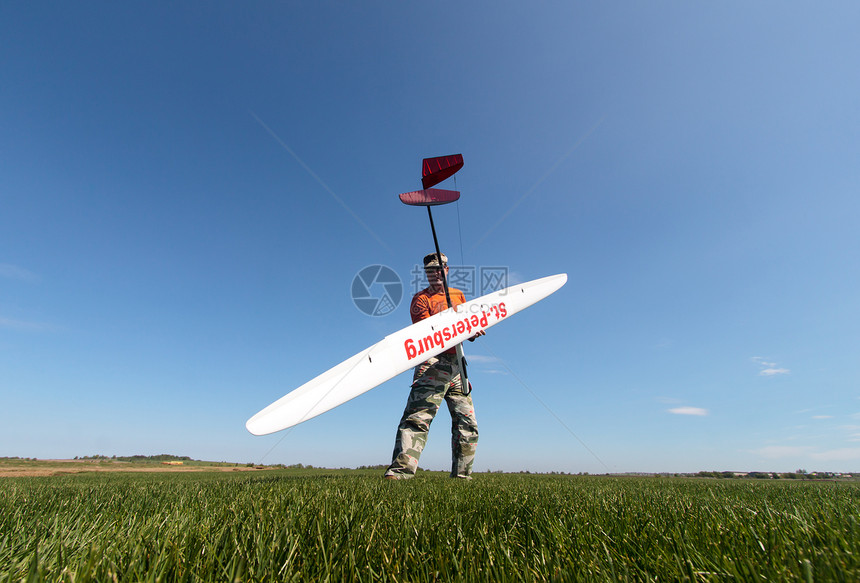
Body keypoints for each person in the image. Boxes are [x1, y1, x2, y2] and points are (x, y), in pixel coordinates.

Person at [384, 252, 483, 480]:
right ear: (426, 275)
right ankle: (400, 472)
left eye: (439, 269)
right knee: (418, 418)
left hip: (457, 365)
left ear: (447, 270)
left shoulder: (458, 295)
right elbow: (428, 333)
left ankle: (462, 477)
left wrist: (473, 331)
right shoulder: (421, 299)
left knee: (467, 423)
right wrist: (456, 324)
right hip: (432, 363)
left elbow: (468, 327)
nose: (435, 274)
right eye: (430, 271)